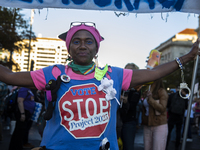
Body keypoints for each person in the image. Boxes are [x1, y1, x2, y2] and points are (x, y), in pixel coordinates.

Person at [0, 22, 198, 150]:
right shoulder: (53, 73)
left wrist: (188, 57)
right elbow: (9, 76)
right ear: (69, 49)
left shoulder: (114, 75)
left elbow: (154, 73)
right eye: (76, 41)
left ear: (96, 49)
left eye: (89, 41)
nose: (83, 45)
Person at [119, 63, 141, 150]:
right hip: (118, 120)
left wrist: (126, 101)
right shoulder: (121, 85)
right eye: (125, 70)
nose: (125, 72)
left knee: (128, 146)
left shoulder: (136, 88)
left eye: (128, 71)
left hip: (128, 122)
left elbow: (133, 106)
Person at [142, 79, 168, 150]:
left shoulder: (161, 92)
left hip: (159, 125)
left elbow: (162, 108)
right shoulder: (148, 91)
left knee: (158, 148)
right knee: (147, 148)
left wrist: (150, 99)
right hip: (147, 124)